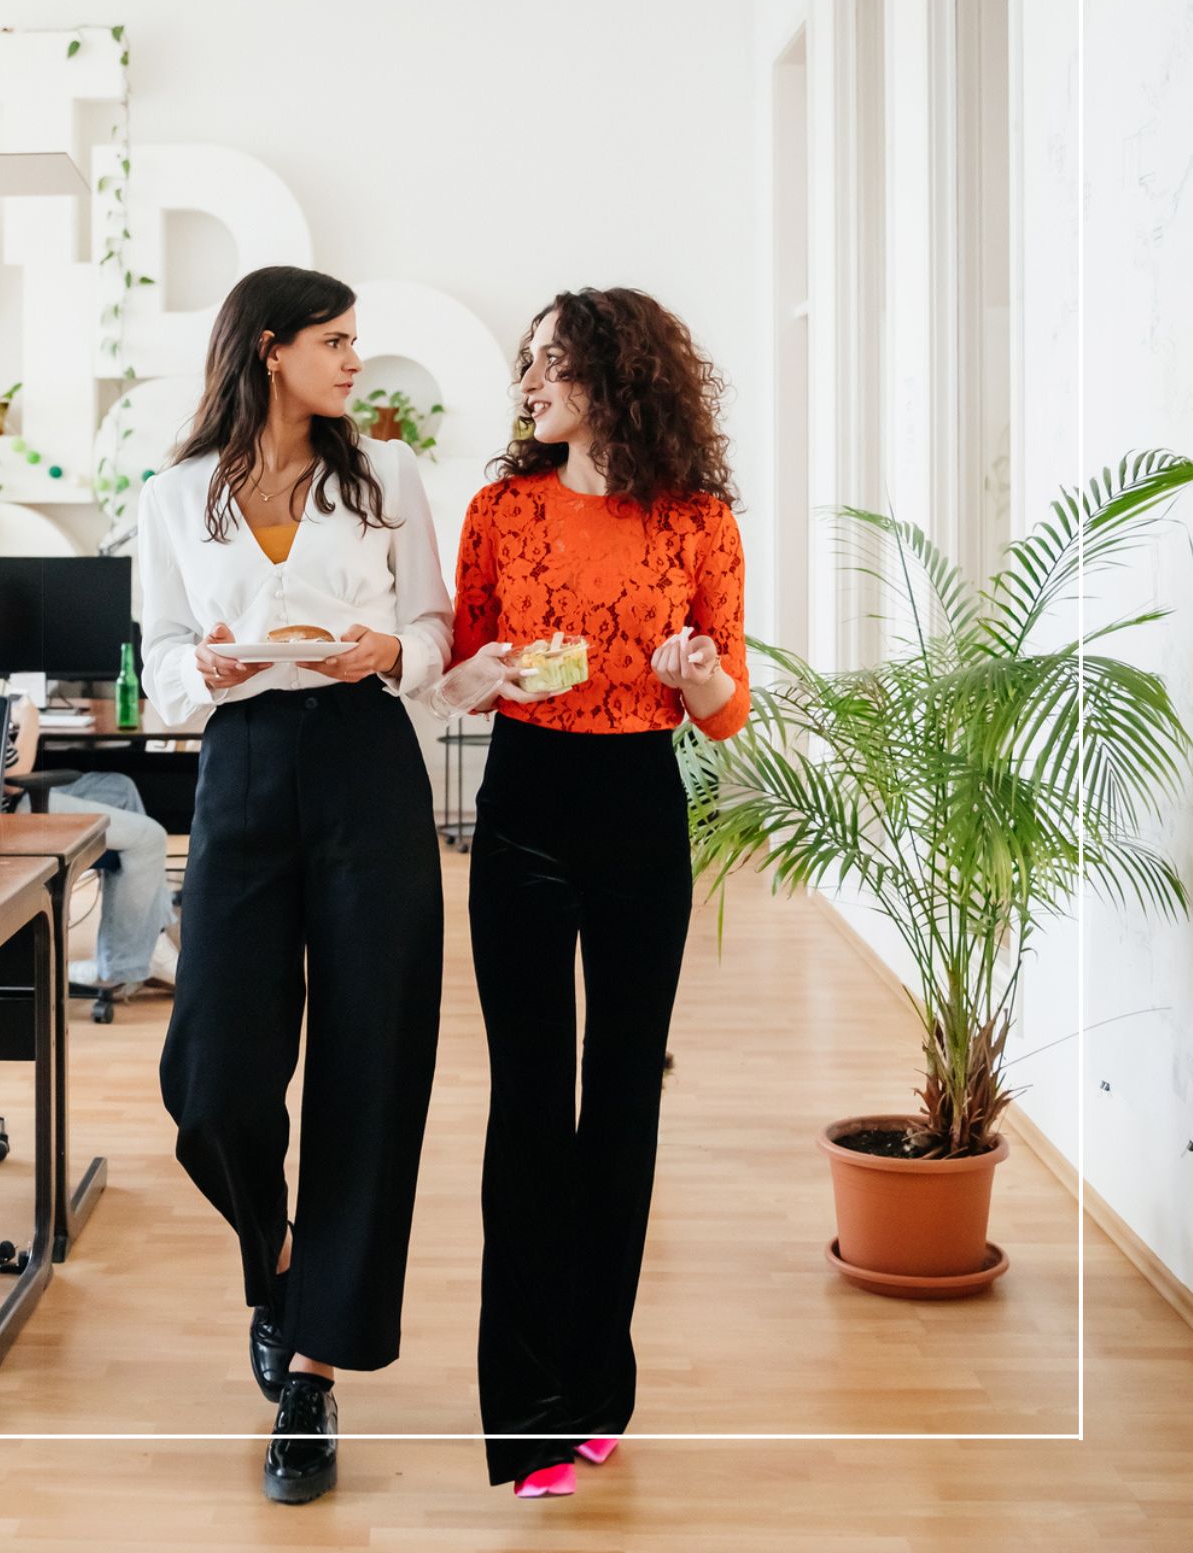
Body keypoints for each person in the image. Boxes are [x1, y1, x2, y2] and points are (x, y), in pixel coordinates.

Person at [134, 265, 452, 1506]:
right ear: (270, 350)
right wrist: (202, 675)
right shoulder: (173, 496)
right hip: (244, 762)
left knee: (373, 1064)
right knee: (209, 1076)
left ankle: (311, 1372)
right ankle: (276, 1259)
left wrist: (391, 649)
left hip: (366, 760)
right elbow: (158, 654)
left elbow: (432, 634)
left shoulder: (388, 482)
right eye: (334, 342)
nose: (352, 362)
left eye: (357, 342)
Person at [437, 288, 747, 1499]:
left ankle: (595, 1382)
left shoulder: (699, 521)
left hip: (637, 806)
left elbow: (726, 712)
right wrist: (484, 671)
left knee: (621, 1098)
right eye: (527, 366)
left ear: (616, 376)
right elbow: (459, 678)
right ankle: (522, 1417)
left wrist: (701, 672)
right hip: (522, 803)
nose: (529, 385)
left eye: (551, 365)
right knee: (528, 1104)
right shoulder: (500, 511)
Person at [0, 554, 177, 994]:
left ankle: (146, 941)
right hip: (2, 818)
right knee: (149, 837)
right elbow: (15, 774)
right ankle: (124, 969)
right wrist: (28, 718)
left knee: (120, 788)